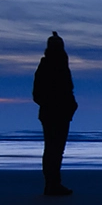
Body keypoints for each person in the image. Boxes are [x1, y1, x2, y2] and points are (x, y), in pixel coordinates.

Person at [32, 31, 77, 196]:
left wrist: (70, 106)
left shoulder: (57, 65)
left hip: (57, 113)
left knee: (53, 149)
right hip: (55, 113)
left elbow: (66, 90)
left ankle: (52, 183)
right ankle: (52, 184)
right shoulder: (51, 66)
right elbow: (38, 94)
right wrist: (58, 104)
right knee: (54, 149)